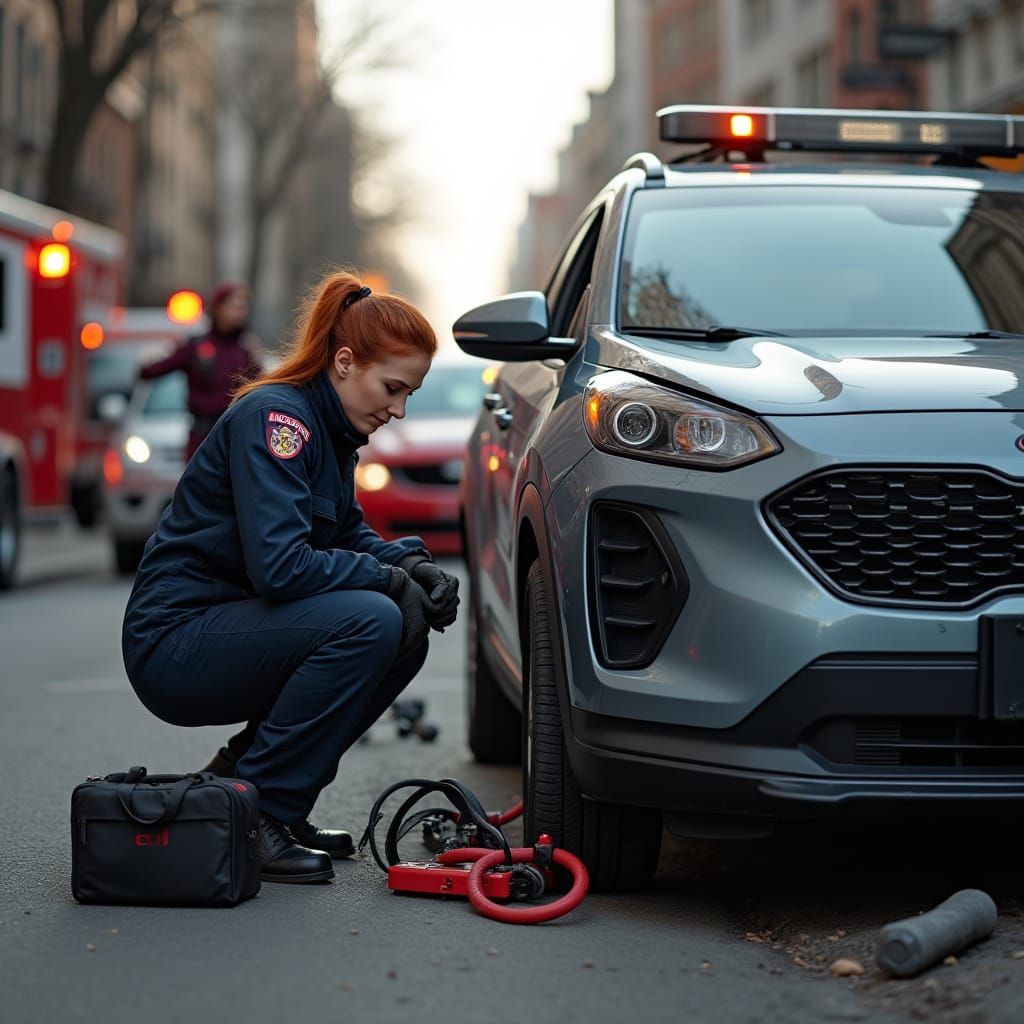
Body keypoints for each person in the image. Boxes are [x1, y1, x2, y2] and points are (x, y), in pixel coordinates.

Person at [121, 271, 459, 884]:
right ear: (346, 361)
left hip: (230, 627)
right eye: (392, 388)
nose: (398, 409)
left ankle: (248, 791)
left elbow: (346, 533)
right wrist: (385, 582)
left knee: (406, 624)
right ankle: (260, 815)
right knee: (373, 618)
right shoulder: (277, 421)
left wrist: (410, 565)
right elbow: (281, 568)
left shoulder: (334, 434)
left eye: (409, 393)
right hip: (175, 640)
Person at [140, 281, 262, 460]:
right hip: (202, 439)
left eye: (243, 307)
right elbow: (149, 372)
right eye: (233, 306)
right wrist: (149, 357)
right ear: (217, 309)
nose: (239, 313)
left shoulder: (246, 351)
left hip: (235, 440)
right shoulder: (196, 346)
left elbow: (263, 390)